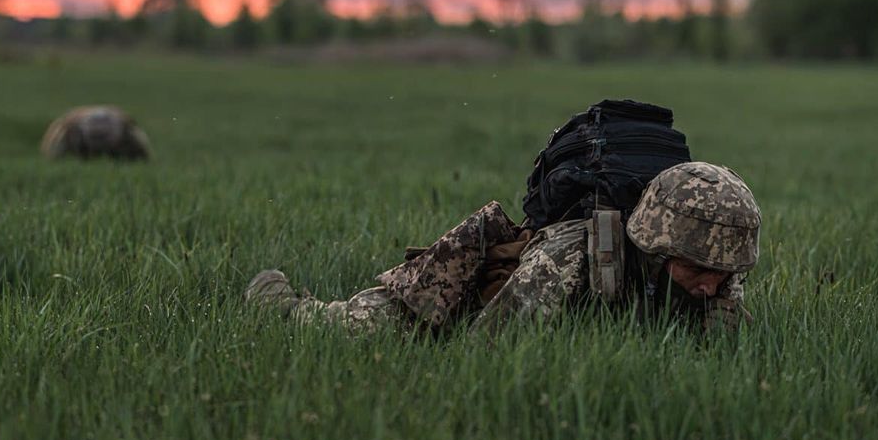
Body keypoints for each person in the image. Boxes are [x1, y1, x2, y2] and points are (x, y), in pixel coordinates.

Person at [245, 161, 760, 335]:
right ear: (658, 242)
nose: (713, 284)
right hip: (466, 301)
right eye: (700, 269)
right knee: (351, 328)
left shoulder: (714, 270)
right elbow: (487, 348)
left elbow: (727, 348)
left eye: (724, 271)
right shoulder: (566, 260)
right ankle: (279, 302)